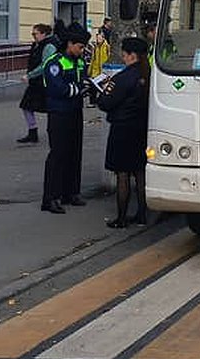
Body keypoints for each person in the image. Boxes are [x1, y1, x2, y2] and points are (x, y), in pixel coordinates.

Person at [98, 37, 150, 228]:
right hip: (142, 129)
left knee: (122, 174)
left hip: (122, 130)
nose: (123, 56)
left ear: (131, 55)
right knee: (140, 171)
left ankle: (121, 218)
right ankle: (142, 214)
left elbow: (105, 103)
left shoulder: (122, 78)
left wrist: (102, 93)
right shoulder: (149, 75)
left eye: (124, 53)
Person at [41, 23, 91, 214]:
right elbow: (58, 89)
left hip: (75, 112)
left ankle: (71, 193)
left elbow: (83, 80)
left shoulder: (79, 61)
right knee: (58, 155)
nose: (82, 50)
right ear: (70, 44)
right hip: (59, 113)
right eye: (80, 46)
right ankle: (51, 198)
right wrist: (80, 89)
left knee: (74, 153)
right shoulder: (54, 62)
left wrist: (88, 86)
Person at [17, 24, 56, 144]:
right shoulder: (37, 45)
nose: (33, 36)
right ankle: (32, 132)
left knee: (51, 109)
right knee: (26, 105)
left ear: (43, 34)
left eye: (35, 34)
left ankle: (54, 132)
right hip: (36, 83)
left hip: (45, 82)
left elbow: (45, 65)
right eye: (32, 34)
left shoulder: (49, 46)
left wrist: (29, 75)